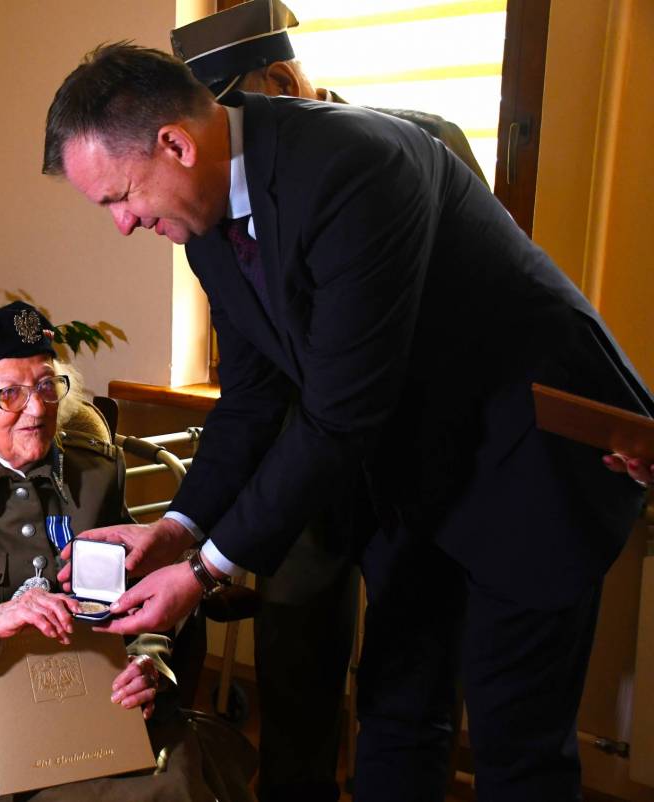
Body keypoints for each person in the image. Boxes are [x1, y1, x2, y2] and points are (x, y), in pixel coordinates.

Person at [42, 44, 654, 801]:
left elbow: (338, 413)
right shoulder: (204, 226)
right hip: (414, 472)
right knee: (397, 711)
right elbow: (253, 397)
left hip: (529, 465)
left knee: (516, 749)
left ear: (176, 144)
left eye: (119, 197)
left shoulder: (357, 165)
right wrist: (177, 529)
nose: (123, 224)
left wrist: (204, 574)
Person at [0, 301, 253, 802]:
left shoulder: (97, 470)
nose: (36, 409)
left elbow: (142, 593)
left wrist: (148, 663)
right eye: (10, 393)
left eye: (47, 386)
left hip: (104, 703)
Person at [170, 0, 487, 182]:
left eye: (231, 118)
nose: (227, 139)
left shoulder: (430, 139)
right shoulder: (252, 178)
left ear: (282, 84)